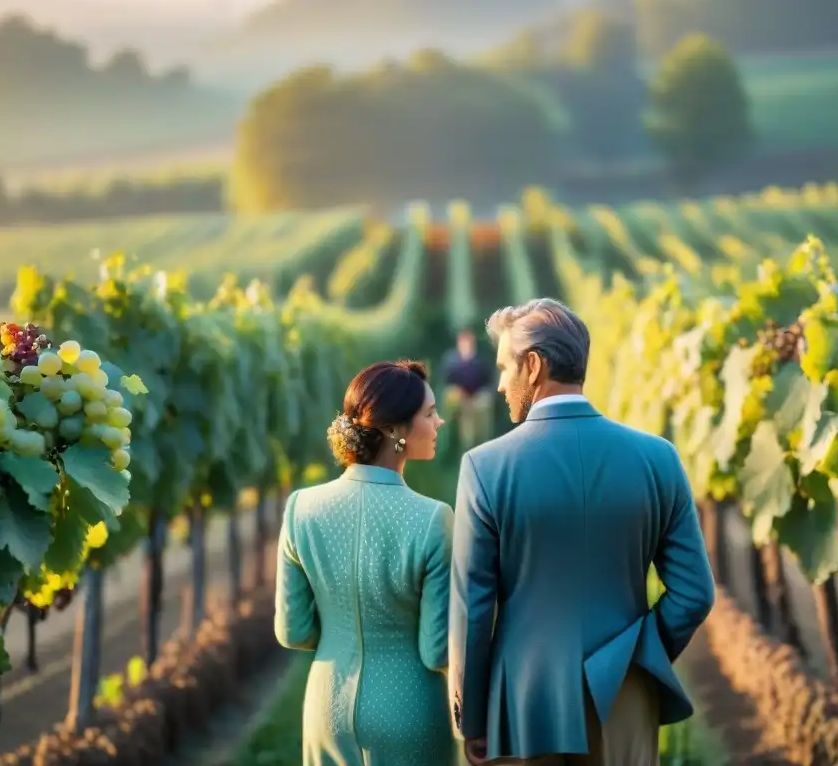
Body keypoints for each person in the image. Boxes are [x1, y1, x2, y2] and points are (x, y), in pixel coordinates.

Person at [448, 298, 716, 766]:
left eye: (504, 368)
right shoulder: (658, 459)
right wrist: (637, 658)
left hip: (521, 700)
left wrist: (472, 718)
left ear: (533, 366)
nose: (499, 384)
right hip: (624, 695)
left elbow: (473, 608)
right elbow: (694, 594)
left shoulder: (484, 467)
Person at [273, 360, 459, 766]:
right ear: (393, 429)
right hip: (409, 710)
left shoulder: (300, 509)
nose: (440, 421)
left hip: (326, 707)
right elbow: (436, 650)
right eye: (429, 413)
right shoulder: (432, 519)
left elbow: (293, 631)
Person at [442, 329, 495, 453]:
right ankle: (454, 444)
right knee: (466, 422)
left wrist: (483, 394)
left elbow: (488, 381)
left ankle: (483, 443)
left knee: (482, 408)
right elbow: (448, 382)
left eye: (469, 343)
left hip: (477, 397)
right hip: (460, 399)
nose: (467, 346)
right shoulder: (452, 362)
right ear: (459, 344)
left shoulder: (480, 362)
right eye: (464, 343)